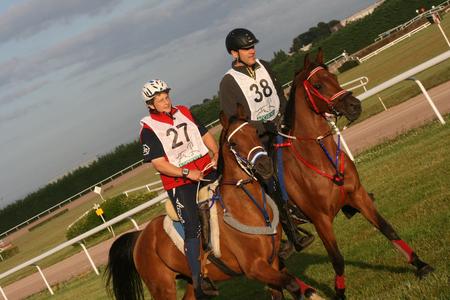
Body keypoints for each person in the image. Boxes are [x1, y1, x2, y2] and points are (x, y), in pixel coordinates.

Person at [219, 28, 314, 254]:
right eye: (246, 48)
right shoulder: (228, 83)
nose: (252, 51)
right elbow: (235, 121)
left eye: (253, 46)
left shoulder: (265, 66)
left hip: (280, 126)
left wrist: (282, 116)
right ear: (234, 54)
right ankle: (291, 233)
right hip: (257, 140)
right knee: (269, 178)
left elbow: (278, 94)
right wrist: (263, 126)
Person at [139, 79, 219, 299]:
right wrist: (187, 173)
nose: (166, 102)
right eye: (160, 100)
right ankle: (198, 280)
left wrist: (216, 152)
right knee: (192, 227)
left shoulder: (184, 111)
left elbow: (204, 135)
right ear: (151, 105)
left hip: (206, 169)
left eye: (166, 97)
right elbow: (159, 164)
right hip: (180, 183)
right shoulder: (149, 130)